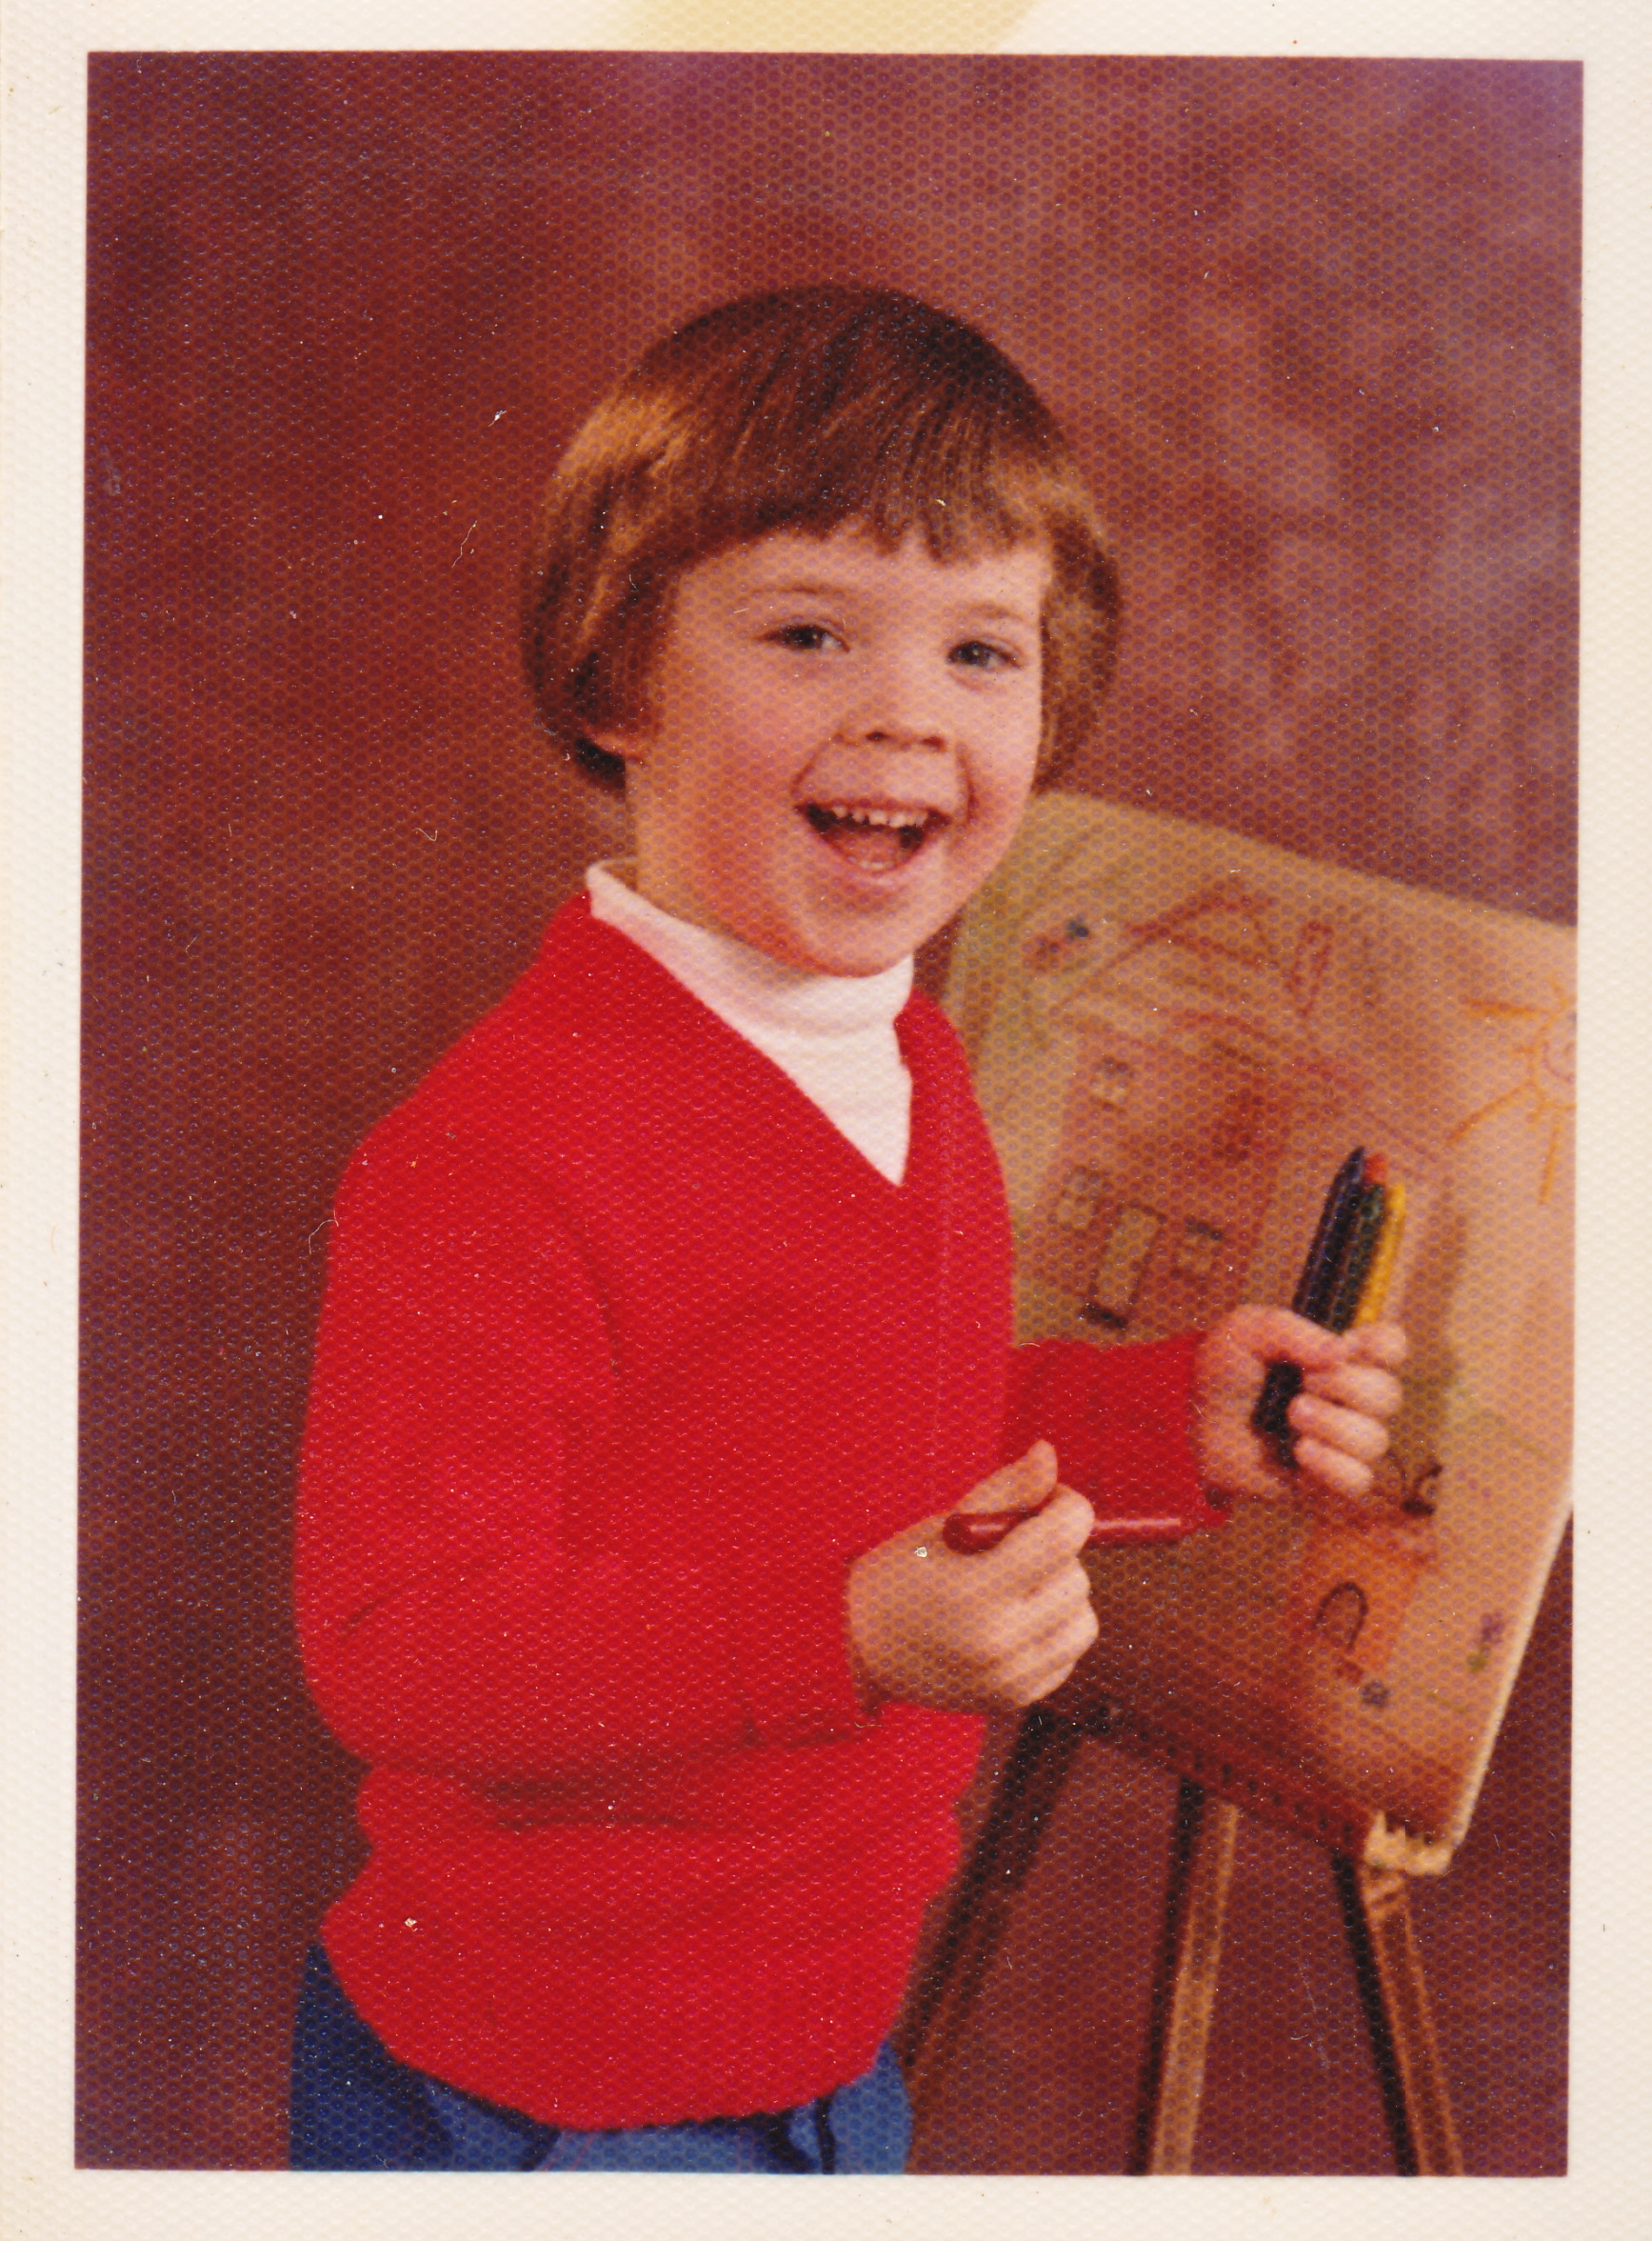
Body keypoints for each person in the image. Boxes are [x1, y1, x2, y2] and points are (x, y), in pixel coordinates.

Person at [289, 287, 1405, 2172]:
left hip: (822, 2049)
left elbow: (878, 1415)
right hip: (544, 2096)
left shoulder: (902, 1052)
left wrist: (1159, 1423)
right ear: (607, 678)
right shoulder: (498, 1150)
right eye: (811, 633)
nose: (908, 710)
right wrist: (848, 1633)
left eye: (984, 651)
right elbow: (405, 1642)